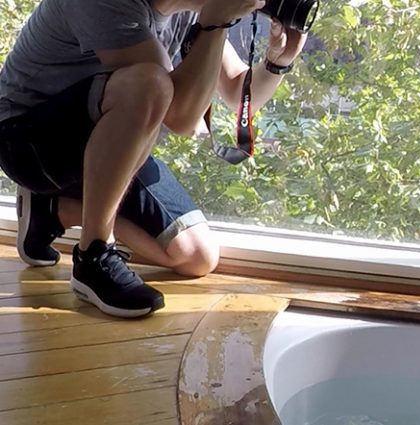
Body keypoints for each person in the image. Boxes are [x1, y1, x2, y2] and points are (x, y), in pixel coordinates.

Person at [0, 0, 308, 318]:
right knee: (150, 84)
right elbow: (180, 115)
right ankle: (94, 255)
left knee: (196, 255)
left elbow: (236, 93)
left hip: (109, 147)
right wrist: (215, 24)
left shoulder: (188, 11)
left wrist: (278, 62)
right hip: (28, 144)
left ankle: (52, 209)